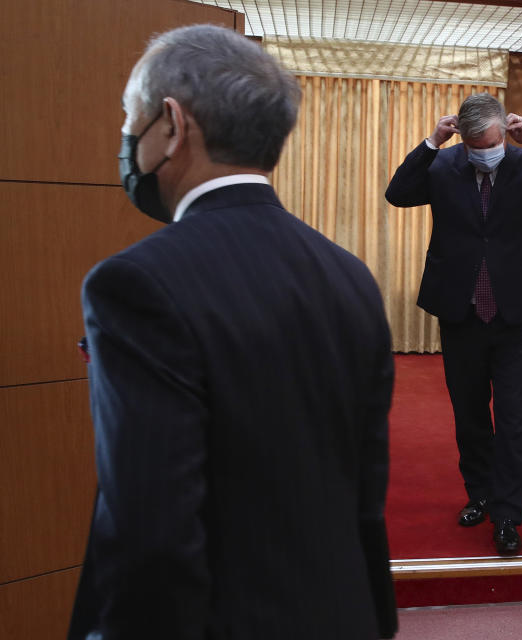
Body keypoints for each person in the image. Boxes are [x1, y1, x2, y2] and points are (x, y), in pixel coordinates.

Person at [68, 25, 397, 639]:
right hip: (343, 613)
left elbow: (151, 529)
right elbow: (364, 491)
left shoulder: (135, 284)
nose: (125, 136)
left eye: (128, 117)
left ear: (171, 124)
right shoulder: (350, 276)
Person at [385, 93, 522, 556]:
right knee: (470, 413)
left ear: (504, 132)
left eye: (490, 143)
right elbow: (398, 194)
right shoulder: (442, 165)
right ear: (462, 138)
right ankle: (480, 494)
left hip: (518, 315)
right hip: (461, 312)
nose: (483, 153)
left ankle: (509, 514)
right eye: (474, 146)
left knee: (513, 418)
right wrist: (432, 142)